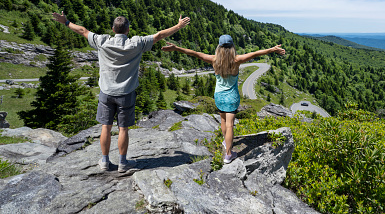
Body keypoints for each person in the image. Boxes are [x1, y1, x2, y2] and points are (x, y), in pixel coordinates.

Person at [53, 11, 190, 172]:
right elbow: (159, 35)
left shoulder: (102, 41)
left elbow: (82, 31)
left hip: (106, 92)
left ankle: (104, 161)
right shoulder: (136, 43)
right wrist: (179, 26)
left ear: (113, 29)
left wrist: (66, 22)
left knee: (106, 127)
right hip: (126, 94)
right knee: (123, 129)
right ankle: (123, 162)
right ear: (128, 30)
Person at [162, 34, 285, 164]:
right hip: (232, 97)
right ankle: (228, 155)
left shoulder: (214, 60)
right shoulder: (237, 60)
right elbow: (255, 54)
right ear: (232, 47)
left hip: (219, 96)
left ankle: (226, 143)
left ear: (219, 47)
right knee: (230, 125)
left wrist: (176, 48)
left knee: (223, 120)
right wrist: (272, 49)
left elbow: (195, 53)